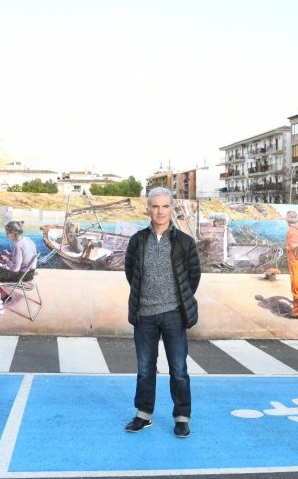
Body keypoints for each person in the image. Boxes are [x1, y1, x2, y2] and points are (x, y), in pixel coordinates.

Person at [124, 187, 201, 438]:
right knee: (145, 368)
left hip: (173, 315)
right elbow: (130, 272)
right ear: (149, 209)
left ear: (172, 209)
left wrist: (177, 302)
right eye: (155, 206)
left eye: (165, 206)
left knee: (178, 369)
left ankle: (181, 418)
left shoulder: (185, 242)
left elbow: (193, 276)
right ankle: (143, 415)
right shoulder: (138, 240)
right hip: (144, 314)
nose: (160, 211)